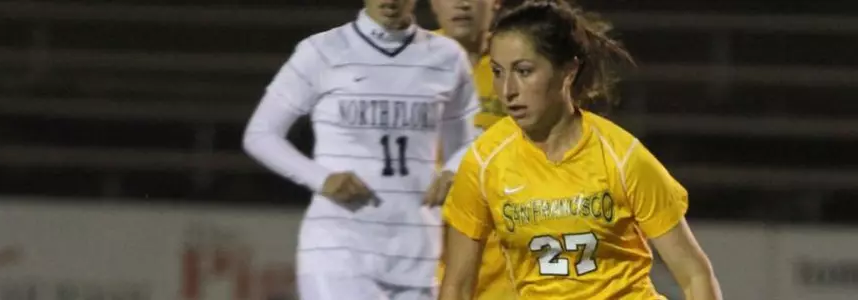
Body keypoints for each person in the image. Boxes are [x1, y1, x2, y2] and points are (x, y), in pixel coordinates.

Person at [439, 1, 723, 299]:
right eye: (498, 72)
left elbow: (694, 274)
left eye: (524, 71)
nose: (508, 89)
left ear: (568, 71)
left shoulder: (622, 158)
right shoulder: (485, 161)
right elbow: (457, 286)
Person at [242, 0, 480, 298]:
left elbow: (471, 141)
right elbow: (261, 133)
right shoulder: (321, 50)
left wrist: (454, 170)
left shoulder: (447, 56)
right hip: (337, 252)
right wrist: (321, 178)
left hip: (417, 253)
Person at [428, 0, 514, 299]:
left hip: (506, 249)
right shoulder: (408, 60)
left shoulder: (521, 60)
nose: (463, 4)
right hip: (429, 247)